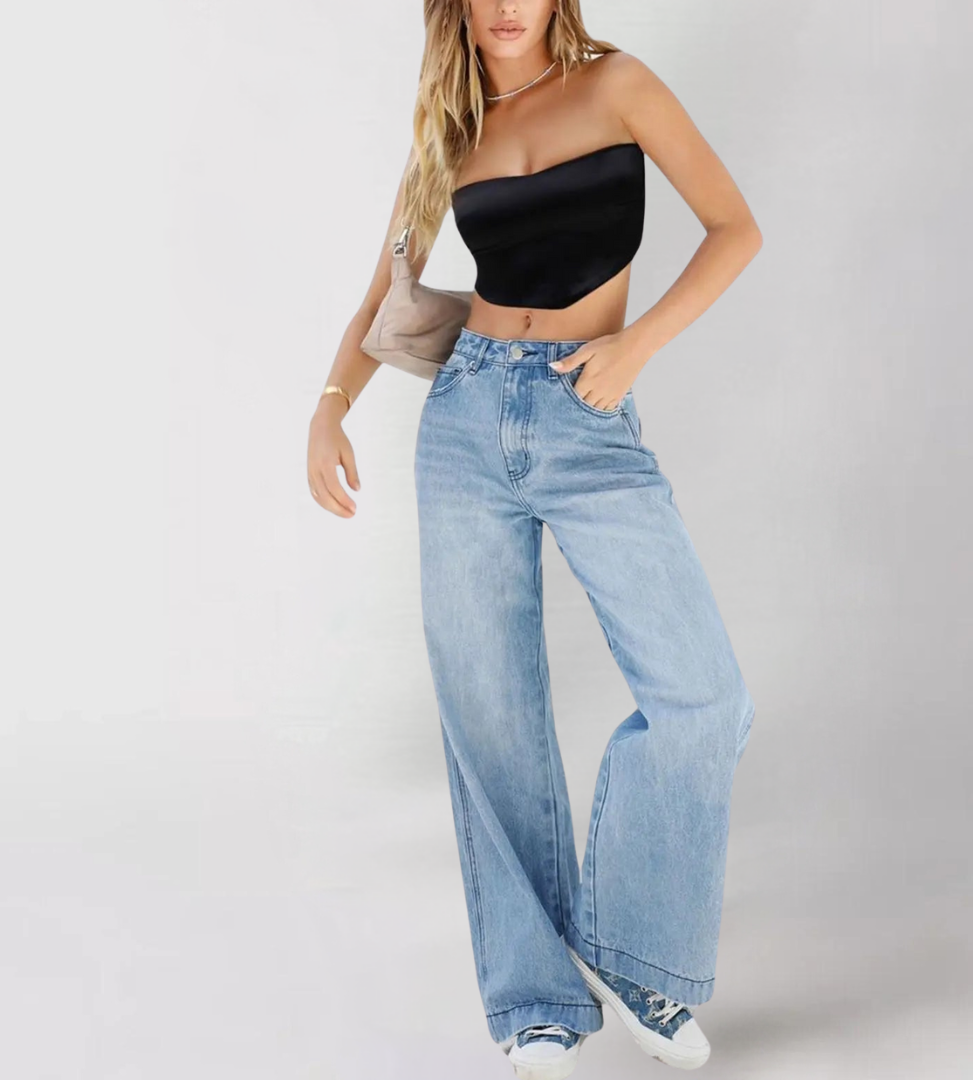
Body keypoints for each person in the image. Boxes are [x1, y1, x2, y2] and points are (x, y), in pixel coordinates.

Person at [307, 2, 762, 1076]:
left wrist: (637, 347)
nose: (507, 6)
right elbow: (387, 285)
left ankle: (631, 952)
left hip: (587, 411)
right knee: (490, 717)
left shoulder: (619, 85)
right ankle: (534, 1001)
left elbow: (735, 228)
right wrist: (329, 404)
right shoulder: (450, 122)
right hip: (465, 419)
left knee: (704, 698)